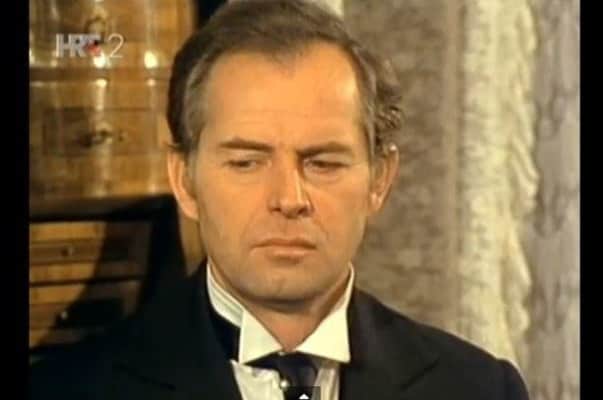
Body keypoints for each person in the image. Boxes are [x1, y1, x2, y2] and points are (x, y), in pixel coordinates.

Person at [29, 1, 531, 399]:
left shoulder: (480, 389)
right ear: (184, 180)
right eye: (247, 162)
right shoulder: (65, 390)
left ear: (379, 180)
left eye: (323, 163)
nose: (289, 199)